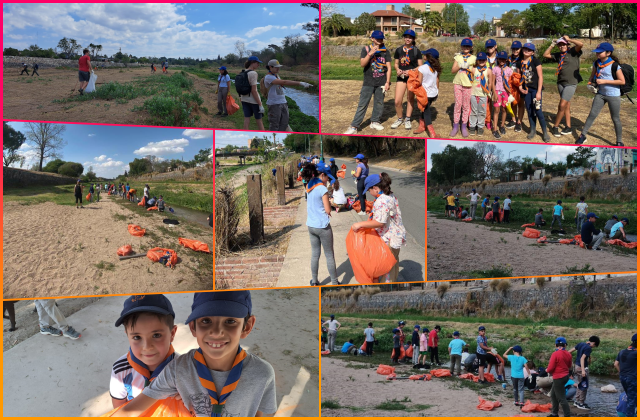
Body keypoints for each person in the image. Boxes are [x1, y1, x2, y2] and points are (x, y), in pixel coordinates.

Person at [111, 291, 277, 417]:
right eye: (206, 321)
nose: (217, 332)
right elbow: (130, 410)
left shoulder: (262, 374)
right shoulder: (177, 370)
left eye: (230, 321)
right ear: (192, 326)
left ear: (247, 326)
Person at [110, 294, 178, 408]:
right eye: (137, 337)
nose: (147, 347)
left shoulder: (184, 369)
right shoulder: (120, 370)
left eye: (156, 335)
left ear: (172, 334)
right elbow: (119, 409)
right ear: (128, 336)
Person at [351, 173, 407, 283]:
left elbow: (380, 222)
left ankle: (386, 288)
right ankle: (392, 283)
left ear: (375, 188)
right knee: (393, 263)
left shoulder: (382, 201)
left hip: (388, 239)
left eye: (369, 190)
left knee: (386, 268)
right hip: (396, 236)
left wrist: (360, 224)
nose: (369, 193)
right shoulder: (390, 195)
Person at [577, 43, 626, 146]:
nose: (597, 54)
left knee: (615, 118)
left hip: (613, 95)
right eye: (597, 52)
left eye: (600, 52)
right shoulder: (596, 63)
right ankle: (583, 135)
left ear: (608, 53)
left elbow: (622, 81)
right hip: (600, 94)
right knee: (592, 114)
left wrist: (604, 81)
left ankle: (619, 141)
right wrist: (590, 84)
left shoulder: (615, 65)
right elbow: (592, 77)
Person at [344, 30, 391, 134]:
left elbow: (388, 67)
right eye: (377, 38)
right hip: (368, 82)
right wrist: (370, 53)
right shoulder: (365, 49)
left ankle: (375, 121)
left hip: (381, 82)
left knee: (379, 103)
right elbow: (362, 64)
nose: (379, 40)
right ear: (372, 39)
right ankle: (354, 127)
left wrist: (387, 82)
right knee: (362, 104)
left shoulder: (385, 51)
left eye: (381, 38)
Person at [303, 162, 338, 286]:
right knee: (329, 255)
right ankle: (334, 283)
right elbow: (327, 210)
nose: (328, 179)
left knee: (315, 254)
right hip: (322, 226)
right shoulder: (322, 188)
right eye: (327, 176)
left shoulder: (309, 185)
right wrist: (333, 203)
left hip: (311, 225)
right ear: (322, 175)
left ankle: (314, 281)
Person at [543, 36, 584, 137]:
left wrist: (569, 39)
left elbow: (580, 44)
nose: (562, 46)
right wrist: (552, 44)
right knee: (566, 105)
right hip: (561, 82)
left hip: (571, 82)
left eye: (563, 44)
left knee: (561, 105)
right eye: (560, 45)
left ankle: (555, 126)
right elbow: (545, 54)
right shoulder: (558, 55)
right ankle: (568, 127)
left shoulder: (573, 52)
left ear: (567, 45)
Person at [263, 59, 312, 131]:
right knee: (274, 125)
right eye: (276, 67)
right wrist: (300, 83)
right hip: (274, 104)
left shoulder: (276, 76)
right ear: (270, 67)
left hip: (283, 102)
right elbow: (284, 82)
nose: (278, 68)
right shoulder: (268, 77)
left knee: (284, 124)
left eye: (279, 67)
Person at [390, 30, 422, 131]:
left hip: (412, 78)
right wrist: (398, 69)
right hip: (401, 77)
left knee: (410, 99)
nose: (407, 39)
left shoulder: (417, 51)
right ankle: (400, 119)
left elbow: (420, 66)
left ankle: (407, 119)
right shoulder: (399, 50)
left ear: (413, 39)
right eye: (406, 37)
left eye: (410, 37)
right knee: (397, 101)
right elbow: (395, 64)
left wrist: (411, 71)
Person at [518, 43, 550, 141]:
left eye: (529, 49)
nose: (526, 51)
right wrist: (520, 87)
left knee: (538, 110)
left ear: (532, 52)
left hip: (535, 90)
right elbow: (519, 77)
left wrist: (539, 92)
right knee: (529, 110)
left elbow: (540, 77)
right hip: (526, 90)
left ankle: (545, 132)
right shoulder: (519, 62)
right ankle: (533, 130)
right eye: (525, 49)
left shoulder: (536, 61)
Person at [450, 38, 476, 137]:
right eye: (464, 46)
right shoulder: (458, 57)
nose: (466, 48)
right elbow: (452, 70)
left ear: (471, 47)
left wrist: (469, 67)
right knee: (458, 104)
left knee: (466, 106)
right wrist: (460, 65)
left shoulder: (474, 58)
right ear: (461, 46)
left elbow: (476, 72)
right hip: (458, 83)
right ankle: (455, 126)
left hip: (468, 84)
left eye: (468, 46)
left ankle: (463, 126)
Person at [414, 48, 440, 136]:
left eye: (425, 54)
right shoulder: (435, 68)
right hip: (434, 93)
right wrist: (437, 91)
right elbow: (437, 80)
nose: (423, 55)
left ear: (428, 57)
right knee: (425, 109)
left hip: (425, 94)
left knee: (427, 112)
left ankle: (432, 133)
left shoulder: (422, 68)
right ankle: (421, 126)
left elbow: (419, 82)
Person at [569, 335, 600, 410]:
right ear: (594, 343)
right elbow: (582, 359)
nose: (593, 347)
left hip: (576, 366)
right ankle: (581, 403)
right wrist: (583, 370)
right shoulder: (588, 348)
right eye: (594, 345)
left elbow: (569, 351)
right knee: (584, 385)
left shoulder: (581, 344)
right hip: (581, 368)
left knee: (580, 384)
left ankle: (577, 401)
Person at [546, 337, 573, 418]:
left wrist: (546, 370)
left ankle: (567, 416)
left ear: (555, 345)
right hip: (565, 376)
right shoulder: (568, 354)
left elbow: (550, 368)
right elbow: (569, 366)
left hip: (558, 377)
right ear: (565, 345)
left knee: (561, 398)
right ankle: (554, 414)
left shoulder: (555, 354)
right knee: (553, 395)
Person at [469, 52, 493, 136]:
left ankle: (480, 127)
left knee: (482, 111)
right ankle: (472, 126)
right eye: (479, 60)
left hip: (483, 94)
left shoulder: (489, 70)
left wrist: (488, 92)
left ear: (486, 60)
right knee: (474, 110)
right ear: (477, 61)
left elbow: (490, 82)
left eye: (483, 60)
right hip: (473, 93)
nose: (481, 61)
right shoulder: (474, 69)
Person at [239, 56, 265, 131]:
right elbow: (254, 91)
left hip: (244, 99)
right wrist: (260, 104)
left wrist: (241, 98)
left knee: (246, 119)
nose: (258, 65)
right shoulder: (253, 73)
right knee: (259, 121)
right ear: (252, 63)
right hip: (254, 101)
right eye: (257, 63)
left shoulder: (242, 72)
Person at [491, 51, 514, 139]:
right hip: (497, 90)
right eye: (500, 59)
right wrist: (494, 93)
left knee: (504, 109)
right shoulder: (495, 69)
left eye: (503, 59)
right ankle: (495, 129)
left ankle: (502, 125)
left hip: (506, 92)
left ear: (506, 60)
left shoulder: (509, 70)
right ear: (498, 59)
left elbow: (511, 83)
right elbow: (493, 82)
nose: (502, 61)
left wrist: (510, 92)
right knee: (497, 110)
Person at [614, 333, 636, 418]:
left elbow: (615, 364)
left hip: (623, 378)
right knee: (632, 401)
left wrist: (622, 373)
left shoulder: (622, 351)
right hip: (633, 379)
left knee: (630, 397)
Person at [506, 40, 524, 131]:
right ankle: (513, 119)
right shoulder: (508, 59)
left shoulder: (523, 59)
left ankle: (519, 122)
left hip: (520, 84)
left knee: (520, 103)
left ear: (521, 49)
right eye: (513, 49)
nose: (515, 50)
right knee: (513, 102)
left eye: (517, 49)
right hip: (511, 85)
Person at [484, 39, 498, 131]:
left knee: (496, 102)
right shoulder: (484, 57)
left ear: (495, 46)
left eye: (491, 46)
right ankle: (488, 120)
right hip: (487, 82)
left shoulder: (500, 57)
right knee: (487, 102)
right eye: (488, 47)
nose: (490, 48)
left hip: (498, 83)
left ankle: (496, 119)